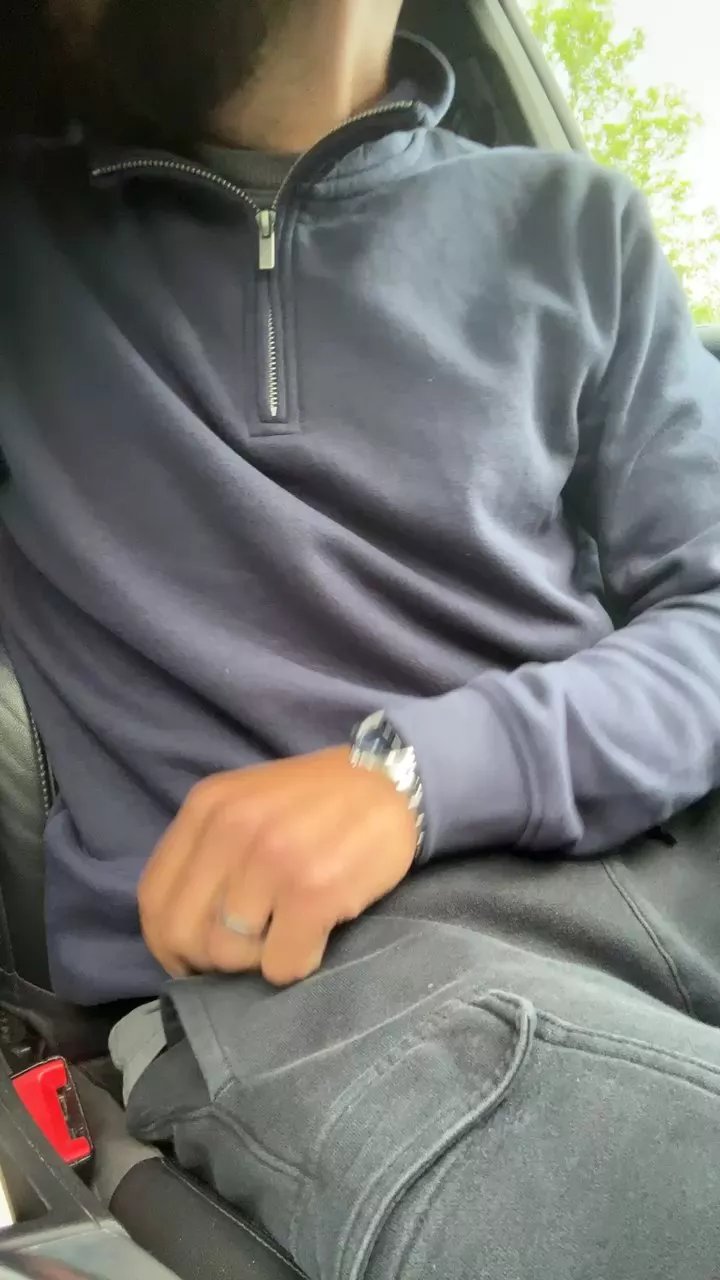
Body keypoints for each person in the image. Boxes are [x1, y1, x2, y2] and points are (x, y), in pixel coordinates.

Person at [3, 0, 720, 1276]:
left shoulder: (581, 225)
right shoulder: (27, 250)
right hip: (315, 985)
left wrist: (415, 775)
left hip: (667, 846)